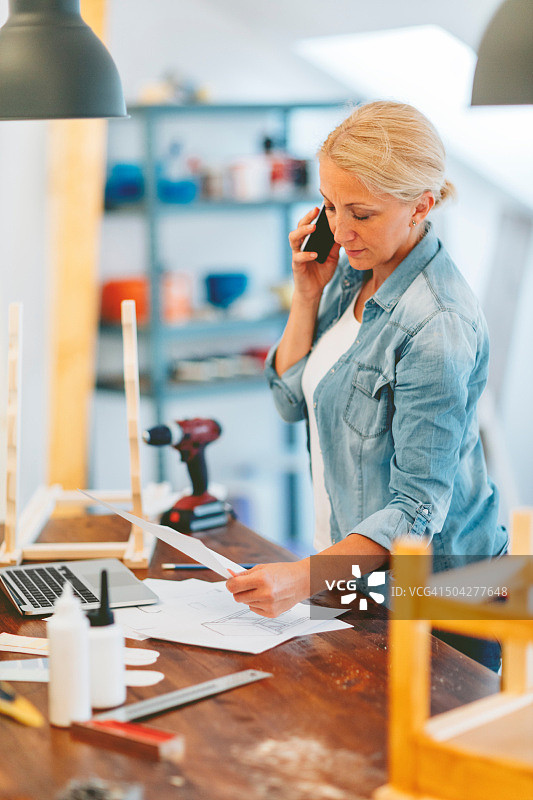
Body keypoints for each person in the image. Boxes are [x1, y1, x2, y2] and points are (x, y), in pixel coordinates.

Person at [226, 101, 508, 670]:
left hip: (450, 592)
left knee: (401, 749)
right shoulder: (351, 270)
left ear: (420, 206)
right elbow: (289, 400)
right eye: (330, 205)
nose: (340, 229)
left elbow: (415, 510)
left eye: (362, 212)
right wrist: (306, 293)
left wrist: (304, 577)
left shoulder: (439, 324)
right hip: (368, 577)